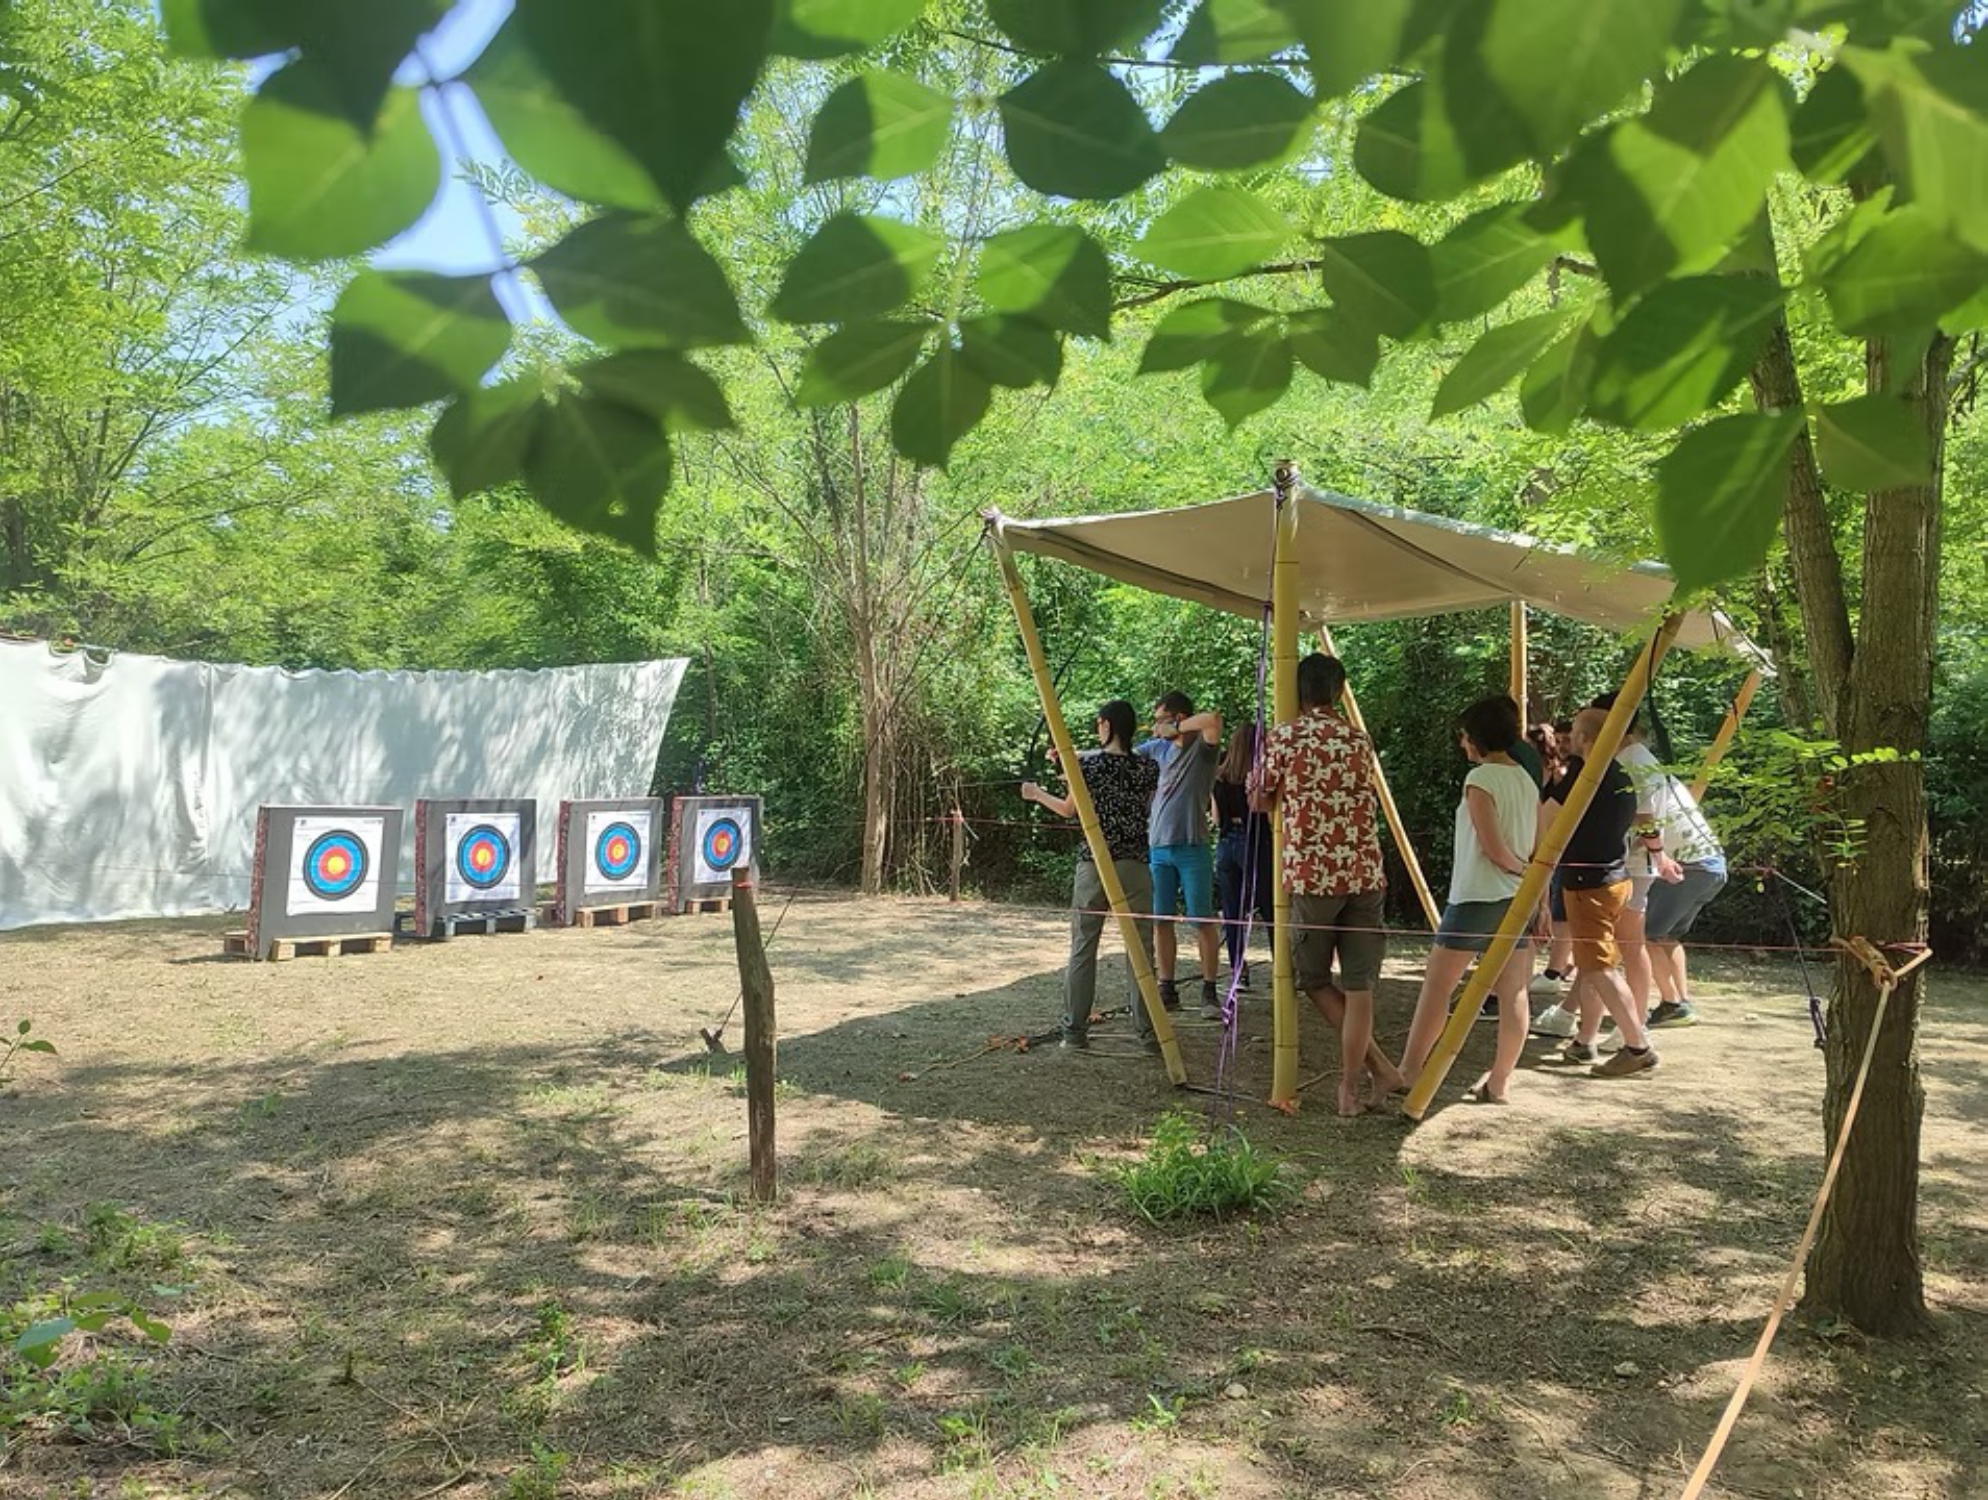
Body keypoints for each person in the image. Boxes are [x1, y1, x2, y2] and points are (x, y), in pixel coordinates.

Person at [1255, 652, 1407, 1116]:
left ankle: (1366, 1077)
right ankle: (1354, 1085)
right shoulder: (1359, 740)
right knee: (1360, 987)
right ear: (1339, 691)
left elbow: (1259, 798)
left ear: (1297, 693)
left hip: (1313, 876)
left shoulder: (1285, 737)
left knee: (1315, 979)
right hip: (1365, 871)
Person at [1399, 697, 1538, 1103]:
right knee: (1513, 990)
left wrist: (1521, 870)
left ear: (1476, 737)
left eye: (1463, 737)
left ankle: (1409, 1070)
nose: (1462, 745)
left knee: (1438, 985)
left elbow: (1495, 849)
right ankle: (1499, 1082)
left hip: (1478, 895)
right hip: (1516, 899)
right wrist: (1530, 882)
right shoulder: (1527, 779)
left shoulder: (1481, 779)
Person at [1021, 701, 1161, 1051]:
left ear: (1108, 725)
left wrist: (1036, 794)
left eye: (1100, 723)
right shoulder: (1149, 767)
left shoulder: (1090, 766)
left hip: (1095, 863)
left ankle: (1075, 1031)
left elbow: (1070, 810)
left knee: (1084, 945)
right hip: (1135, 863)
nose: (1098, 728)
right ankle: (1148, 1033)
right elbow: (1137, 801)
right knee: (1141, 951)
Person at [1539, 707, 1663, 1077]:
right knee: (1596, 964)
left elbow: (1546, 821)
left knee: (1601, 968)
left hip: (1589, 885)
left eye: (1575, 731)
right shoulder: (1620, 773)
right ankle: (1585, 1040)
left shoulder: (1586, 773)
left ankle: (1637, 1046)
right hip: (1614, 879)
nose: (1569, 738)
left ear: (1588, 739)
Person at [1145, 691, 1226, 1019]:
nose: (1156, 726)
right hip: (1159, 847)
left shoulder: (1202, 750)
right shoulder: (1158, 749)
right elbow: (1118, 757)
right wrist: (1075, 756)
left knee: (1202, 920)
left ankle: (1209, 992)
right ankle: (1167, 987)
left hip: (1193, 847)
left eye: (1162, 718)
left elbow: (1213, 720)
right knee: (1160, 920)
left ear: (1178, 718)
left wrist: (1175, 728)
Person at [1641, 768, 1728, 1028]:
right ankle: (1682, 1001)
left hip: (1692, 867)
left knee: (1644, 935)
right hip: (1714, 865)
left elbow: (1647, 828)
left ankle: (1672, 1004)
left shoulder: (1643, 781)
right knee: (1667, 936)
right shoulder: (1665, 780)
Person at [1212, 723, 1275, 991]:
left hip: (1227, 844)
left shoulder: (1219, 776)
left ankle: (1239, 972)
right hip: (1257, 844)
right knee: (1270, 908)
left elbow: (1216, 818)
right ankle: (1281, 970)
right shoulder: (1260, 776)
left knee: (1233, 913)